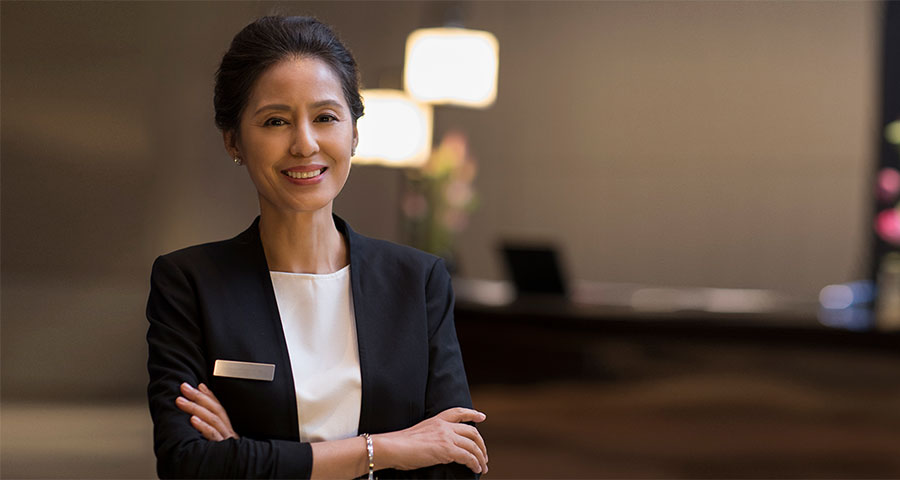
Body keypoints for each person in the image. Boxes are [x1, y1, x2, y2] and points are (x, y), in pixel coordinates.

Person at [146, 16, 488, 479]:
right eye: (275, 121)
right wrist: (385, 449)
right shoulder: (190, 283)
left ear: (355, 134)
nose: (304, 143)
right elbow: (189, 464)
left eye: (326, 117)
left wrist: (246, 455)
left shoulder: (417, 280)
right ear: (234, 141)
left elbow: (454, 459)